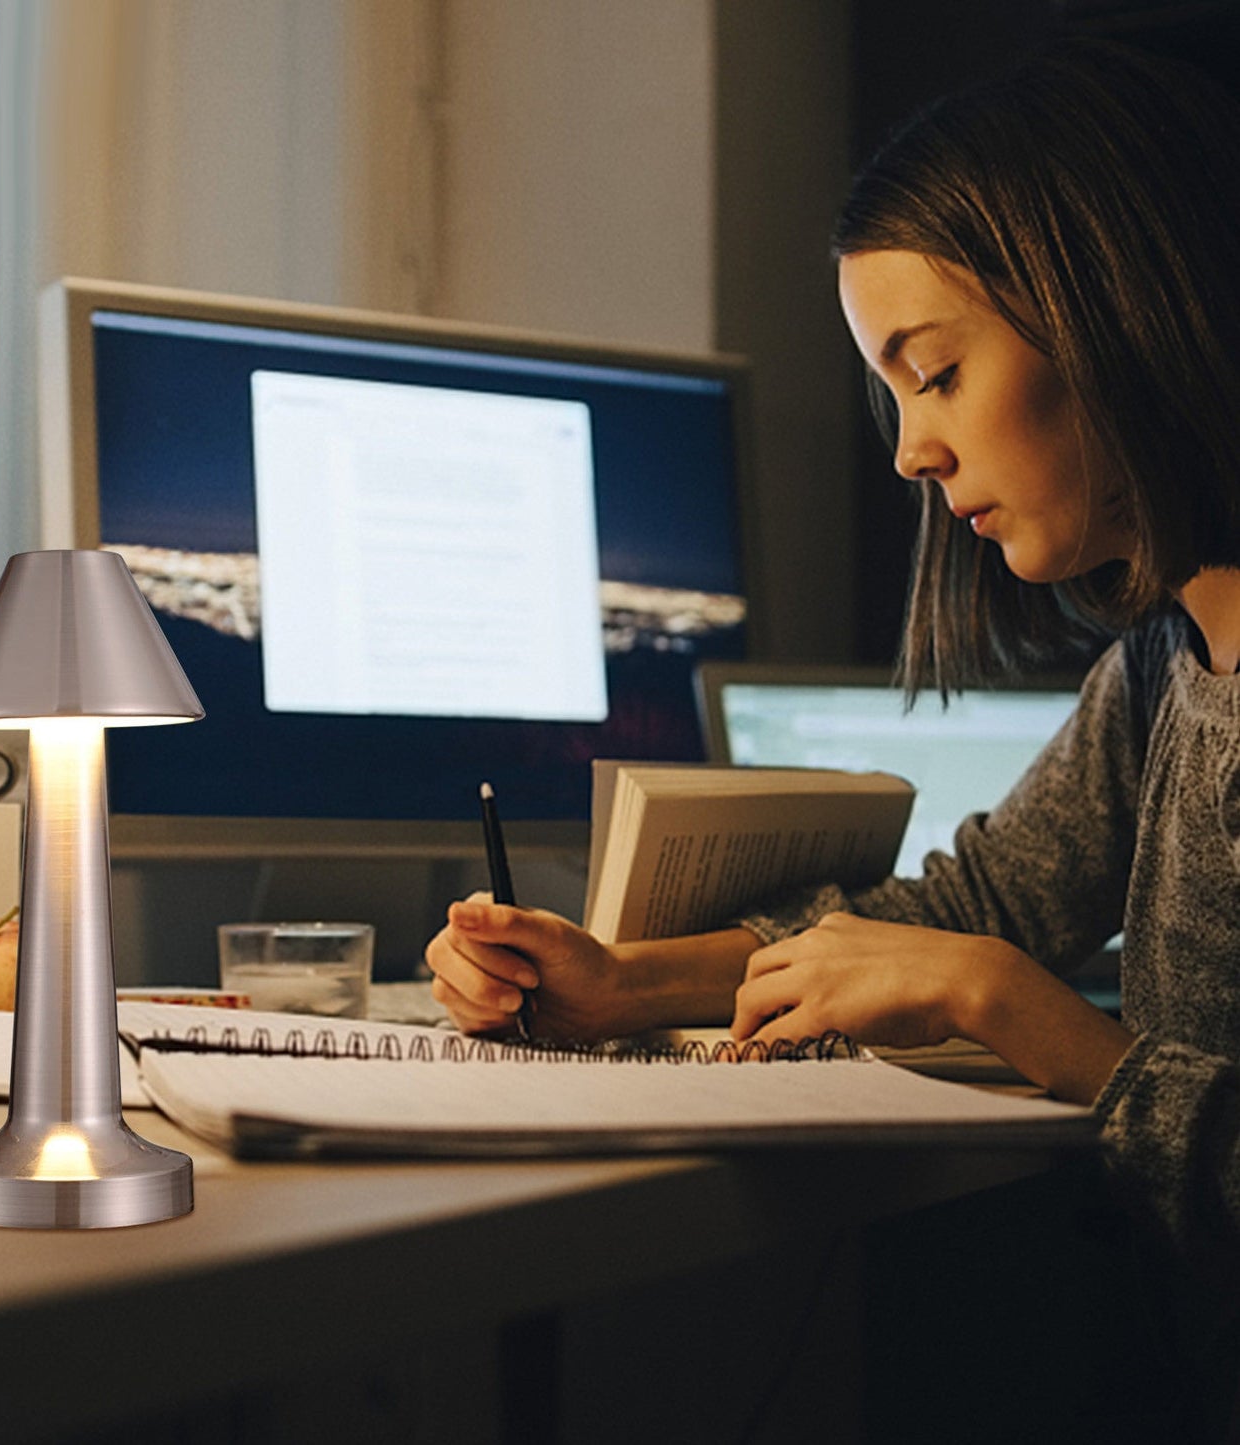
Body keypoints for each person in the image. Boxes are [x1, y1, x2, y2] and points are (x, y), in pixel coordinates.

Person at [425, 36, 1240, 1432]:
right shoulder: (1166, 668)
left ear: (1105, 309)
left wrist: (1014, 1008)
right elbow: (963, 904)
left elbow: (988, 959)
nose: (909, 453)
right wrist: (623, 982)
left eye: (931, 374)